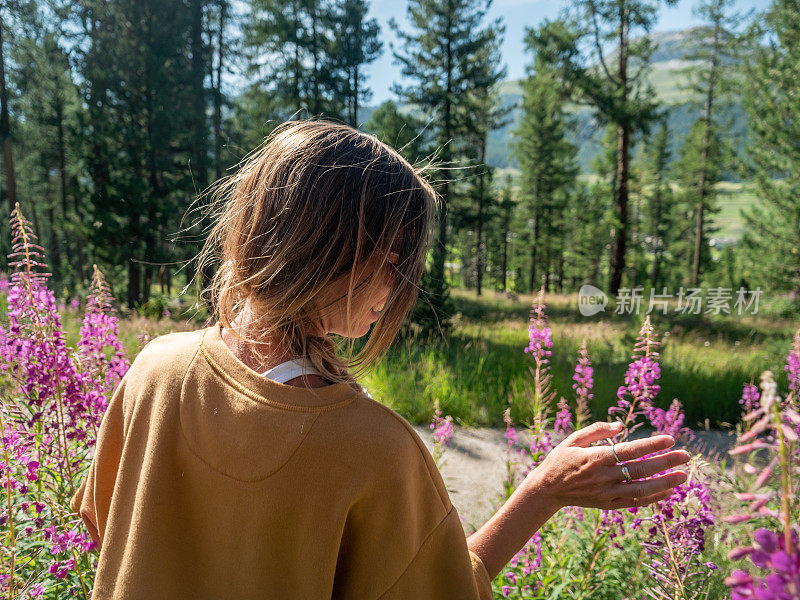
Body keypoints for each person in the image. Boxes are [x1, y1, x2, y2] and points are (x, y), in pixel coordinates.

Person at [71, 119, 690, 599]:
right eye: (391, 263)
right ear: (324, 255)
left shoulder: (155, 369)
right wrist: (544, 490)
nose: (398, 291)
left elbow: (105, 530)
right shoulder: (371, 447)